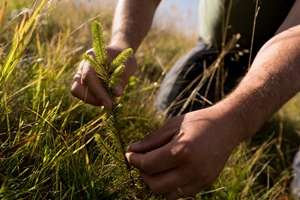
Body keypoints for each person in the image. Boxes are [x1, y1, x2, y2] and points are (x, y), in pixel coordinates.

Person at [71, 0, 300, 199]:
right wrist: (122, 42)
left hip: (288, 56)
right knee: (170, 123)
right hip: (213, 49)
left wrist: (235, 120)